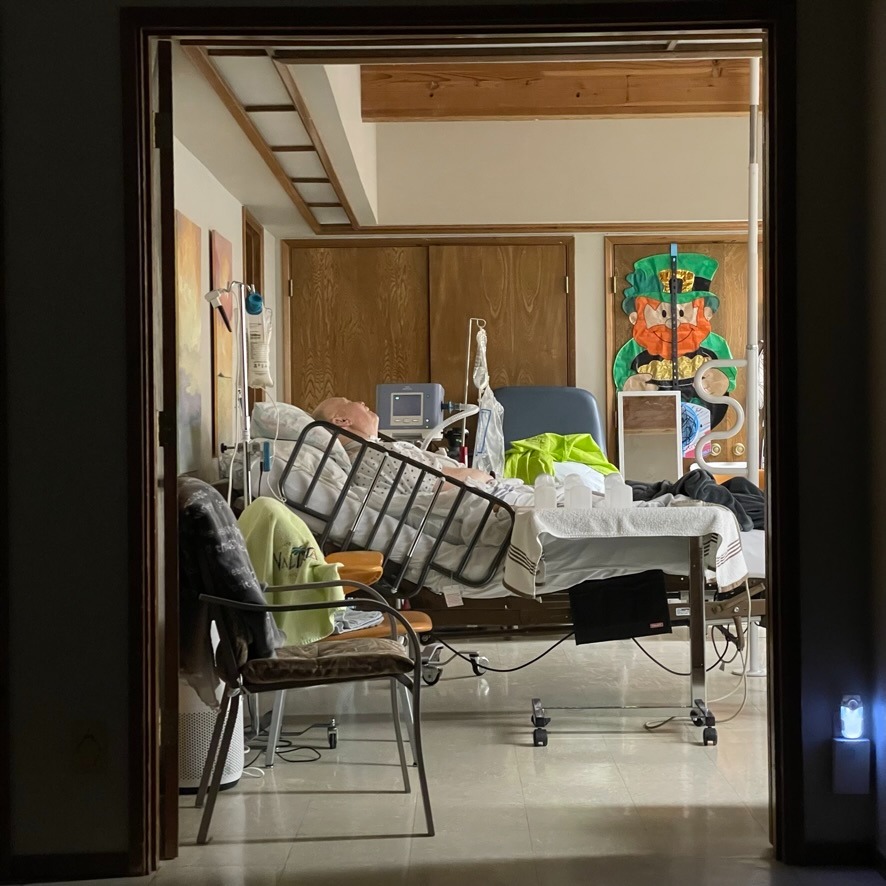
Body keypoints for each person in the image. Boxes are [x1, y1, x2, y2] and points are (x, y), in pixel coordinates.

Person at [312, 396, 501, 496]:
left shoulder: (370, 454)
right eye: (348, 401)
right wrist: (486, 477)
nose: (360, 402)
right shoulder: (378, 456)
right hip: (490, 493)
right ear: (341, 420)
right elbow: (444, 482)